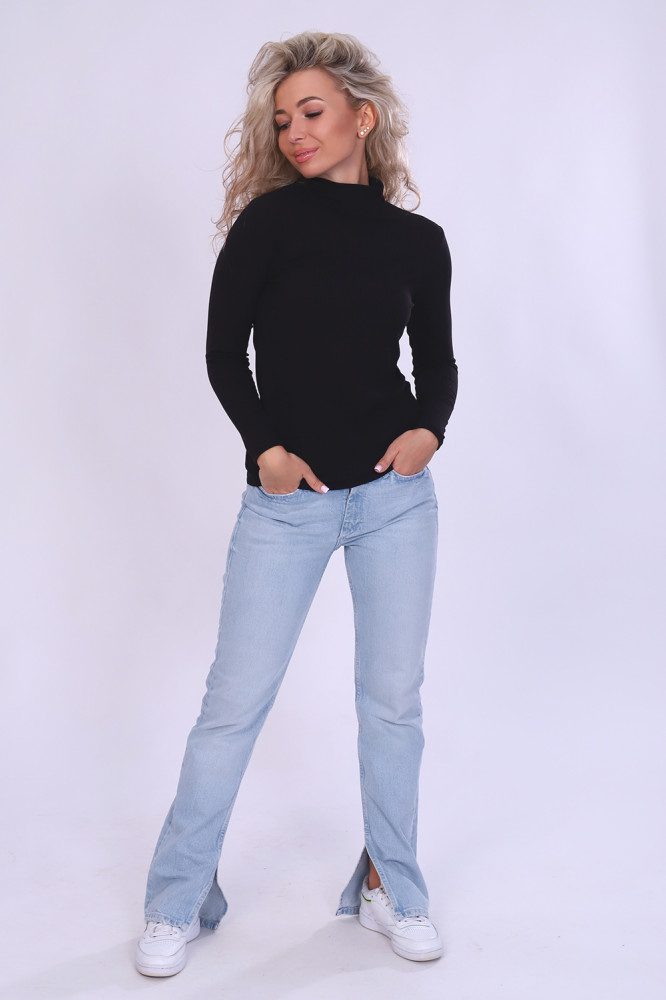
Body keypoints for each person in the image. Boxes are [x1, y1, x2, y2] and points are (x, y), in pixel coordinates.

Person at [135, 30, 457, 977]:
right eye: (281, 121)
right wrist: (266, 450)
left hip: (396, 501)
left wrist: (429, 430)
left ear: (364, 116)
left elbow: (436, 361)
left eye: (311, 112)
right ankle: (179, 898)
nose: (294, 132)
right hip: (288, 505)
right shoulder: (267, 226)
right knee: (232, 705)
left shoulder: (419, 242)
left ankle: (390, 885)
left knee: (392, 704)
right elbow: (221, 353)